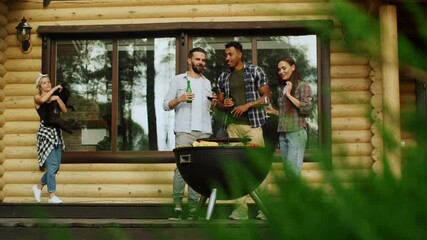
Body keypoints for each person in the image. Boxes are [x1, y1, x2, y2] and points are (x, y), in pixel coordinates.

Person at [216, 41, 271, 220]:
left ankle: (265, 209)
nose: (227, 58)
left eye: (230, 54)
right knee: (236, 168)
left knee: (259, 167)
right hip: (232, 128)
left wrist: (247, 105)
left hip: (253, 126)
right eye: (226, 55)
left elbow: (267, 98)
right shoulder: (224, 76)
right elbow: (219, 103)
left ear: (239, 54)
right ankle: (240, 211)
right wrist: (223, 104)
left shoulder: (255, 71)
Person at [163, 47, 215, 220]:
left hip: (204, 132)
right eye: (198, 59)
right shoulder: (179, 80)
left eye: (203, 60)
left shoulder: (207, 83)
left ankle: (194, 210)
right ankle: (177, 206)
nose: (201, 62)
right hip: (184, 130)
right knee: (182, 168)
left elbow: (208, 109)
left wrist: (213, 105)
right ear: (189, 60)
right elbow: (165, 105)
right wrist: (180, 99)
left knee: (198, 171)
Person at [266, 57, 313, 176]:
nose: (281, 71)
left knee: (293, 173)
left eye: (284, 68)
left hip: (296, 132)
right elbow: (287, 113)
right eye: (279, 69)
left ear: (293, 67)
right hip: (283, 133)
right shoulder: (282, 88)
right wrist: (274, 111)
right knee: (289, 173)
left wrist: (288, 95)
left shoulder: (303, 86)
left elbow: (307, 108)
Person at [32, 74, 67, 204]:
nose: (48, 84)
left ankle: (39, 186)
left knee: (55, 167)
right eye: (44, 83)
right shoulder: (37, 98)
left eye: (49, 82)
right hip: (46, 134)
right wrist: (54, 91)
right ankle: (51, 195)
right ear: (39, 87)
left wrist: (57, 97)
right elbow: (42, 101)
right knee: (51, 166)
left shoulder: (54, 99)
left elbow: (64, 110)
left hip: (56, 133)